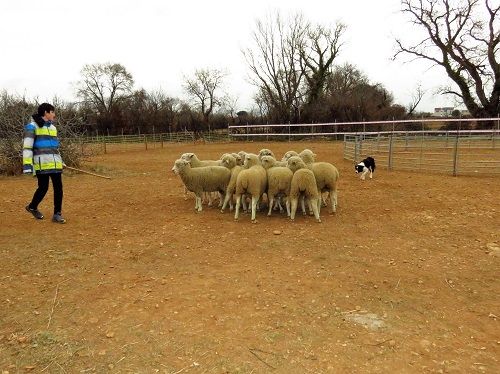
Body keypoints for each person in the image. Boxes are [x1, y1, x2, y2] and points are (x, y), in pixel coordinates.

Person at [23, 103, 66, 223]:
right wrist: (27, 165)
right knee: (43, 188)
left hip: (55, 164)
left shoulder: (53, 128)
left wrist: (60, 161)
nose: (54, 114)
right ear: (46, 113)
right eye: (52, 112)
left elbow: (55, 148)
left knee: (59, 188)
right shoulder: (32, 127)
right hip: (42, 164)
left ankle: (57, 214)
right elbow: (27, 147)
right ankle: (32, 207)